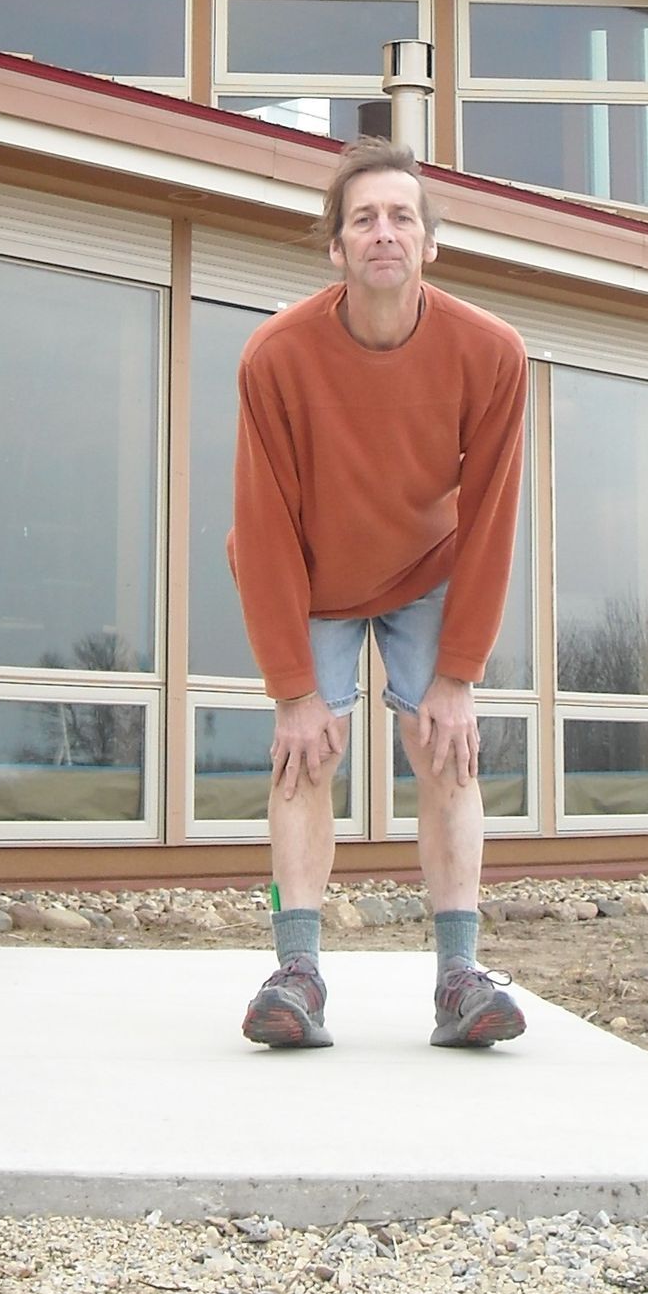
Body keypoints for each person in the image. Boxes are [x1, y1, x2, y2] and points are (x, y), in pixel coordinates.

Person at [229, 136, 528, 1050]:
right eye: (364, 219)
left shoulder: (491, 352)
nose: (384, 233)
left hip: (427, 567)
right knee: (305, 755)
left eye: (402, 216)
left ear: (430, 243)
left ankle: (460, 979)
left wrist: (458, 674)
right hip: (310, 570)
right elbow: (265, 525)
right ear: (337, 248)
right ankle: (299, 976)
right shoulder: (275, 357)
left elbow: (489, 520)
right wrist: (293, 693)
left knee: (446, 747)